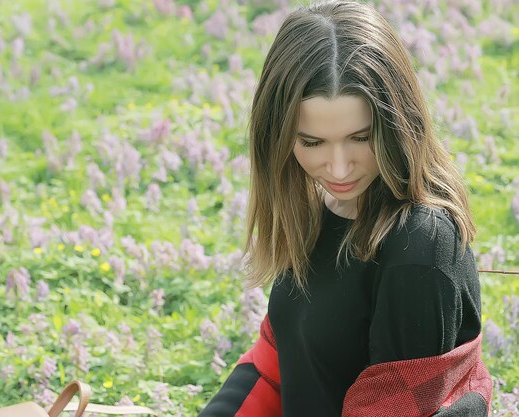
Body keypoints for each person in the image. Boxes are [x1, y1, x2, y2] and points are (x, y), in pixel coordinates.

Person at [197, 1, 493, 416]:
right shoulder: (319, 206)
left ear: (397, 126)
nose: (337, 168)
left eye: (361, 137)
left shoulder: (419, 247)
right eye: (312, 142)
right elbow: (280, 362)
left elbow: (400, 410)